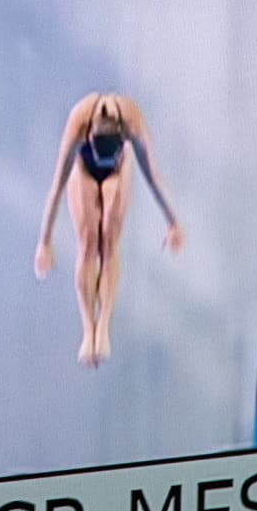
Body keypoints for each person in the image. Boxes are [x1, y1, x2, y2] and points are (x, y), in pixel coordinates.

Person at [35, 91, 186, 365]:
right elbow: (57, 186)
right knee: (88, 242)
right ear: (89, 136)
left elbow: (153, 177)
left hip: (118, 170)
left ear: (122, 136)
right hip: (83, 168)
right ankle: (88, 328)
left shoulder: (133, 123)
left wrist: (173, 222)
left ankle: (103, 324)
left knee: (109, 241)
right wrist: (44, 242)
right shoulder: (78, 123)